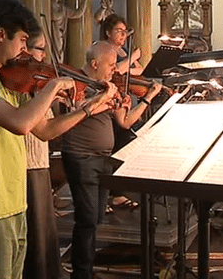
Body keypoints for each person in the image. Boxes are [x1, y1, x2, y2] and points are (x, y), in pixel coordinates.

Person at [0, 0, 115, 279]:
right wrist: (52, 87)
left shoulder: (5, 79)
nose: (25, 50)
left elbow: (44, 131)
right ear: (0, 35)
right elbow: (20, 123)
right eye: (21, 40)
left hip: (14, 203)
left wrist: (89, 108)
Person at [61, 41, 162, 279]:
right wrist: (104, 100)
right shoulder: (74, 83)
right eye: (110, 64)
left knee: (95, 219)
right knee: (87, 220)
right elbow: (76, 111)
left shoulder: (109, 86)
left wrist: (147, 98)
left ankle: (84, 268)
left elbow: (124, 122)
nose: (115, 70)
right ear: (94, 64)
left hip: (103, 159)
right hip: (80, 156)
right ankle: (81, 273)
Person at [51, 0, 88, 64]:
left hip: (61, 33)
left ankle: (59, 66)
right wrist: (62, 14)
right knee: (55, 50)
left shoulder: (62, 8)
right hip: (54, 32)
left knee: (60, 50)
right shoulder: (49, 7)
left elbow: (77, 13)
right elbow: (53, 16)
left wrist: (83, 4)